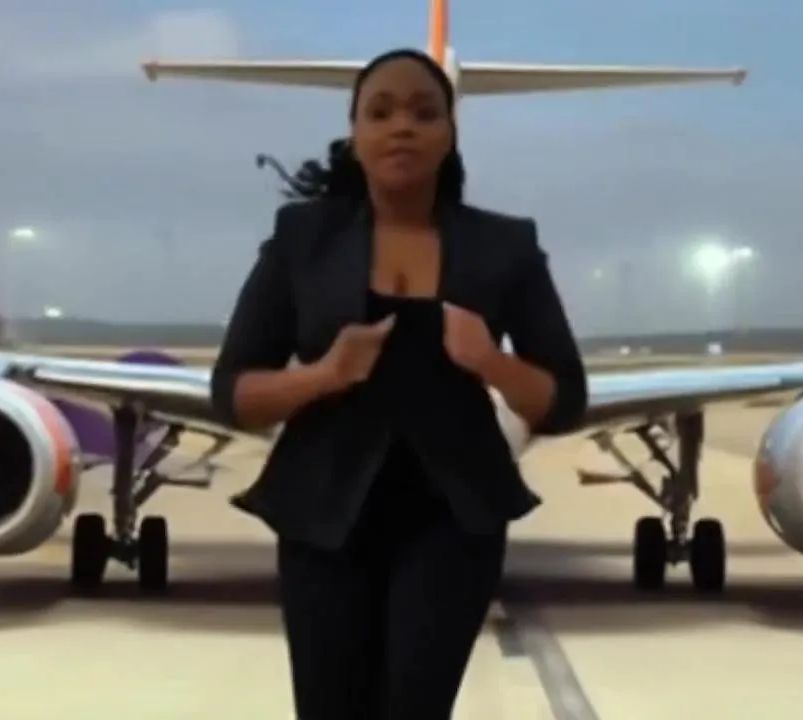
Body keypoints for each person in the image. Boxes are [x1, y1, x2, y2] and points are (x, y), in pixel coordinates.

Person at [211, 47, 587, 719]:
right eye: (380, 112)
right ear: (354, 134)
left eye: (423, 112)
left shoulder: (504, 248)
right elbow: (232, 393)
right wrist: (324, 376)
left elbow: (565, 401)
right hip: (321, 518)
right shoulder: (303, 240)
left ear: (449, 133)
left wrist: (490, 363)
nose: (402, 126)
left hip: (453, 522)